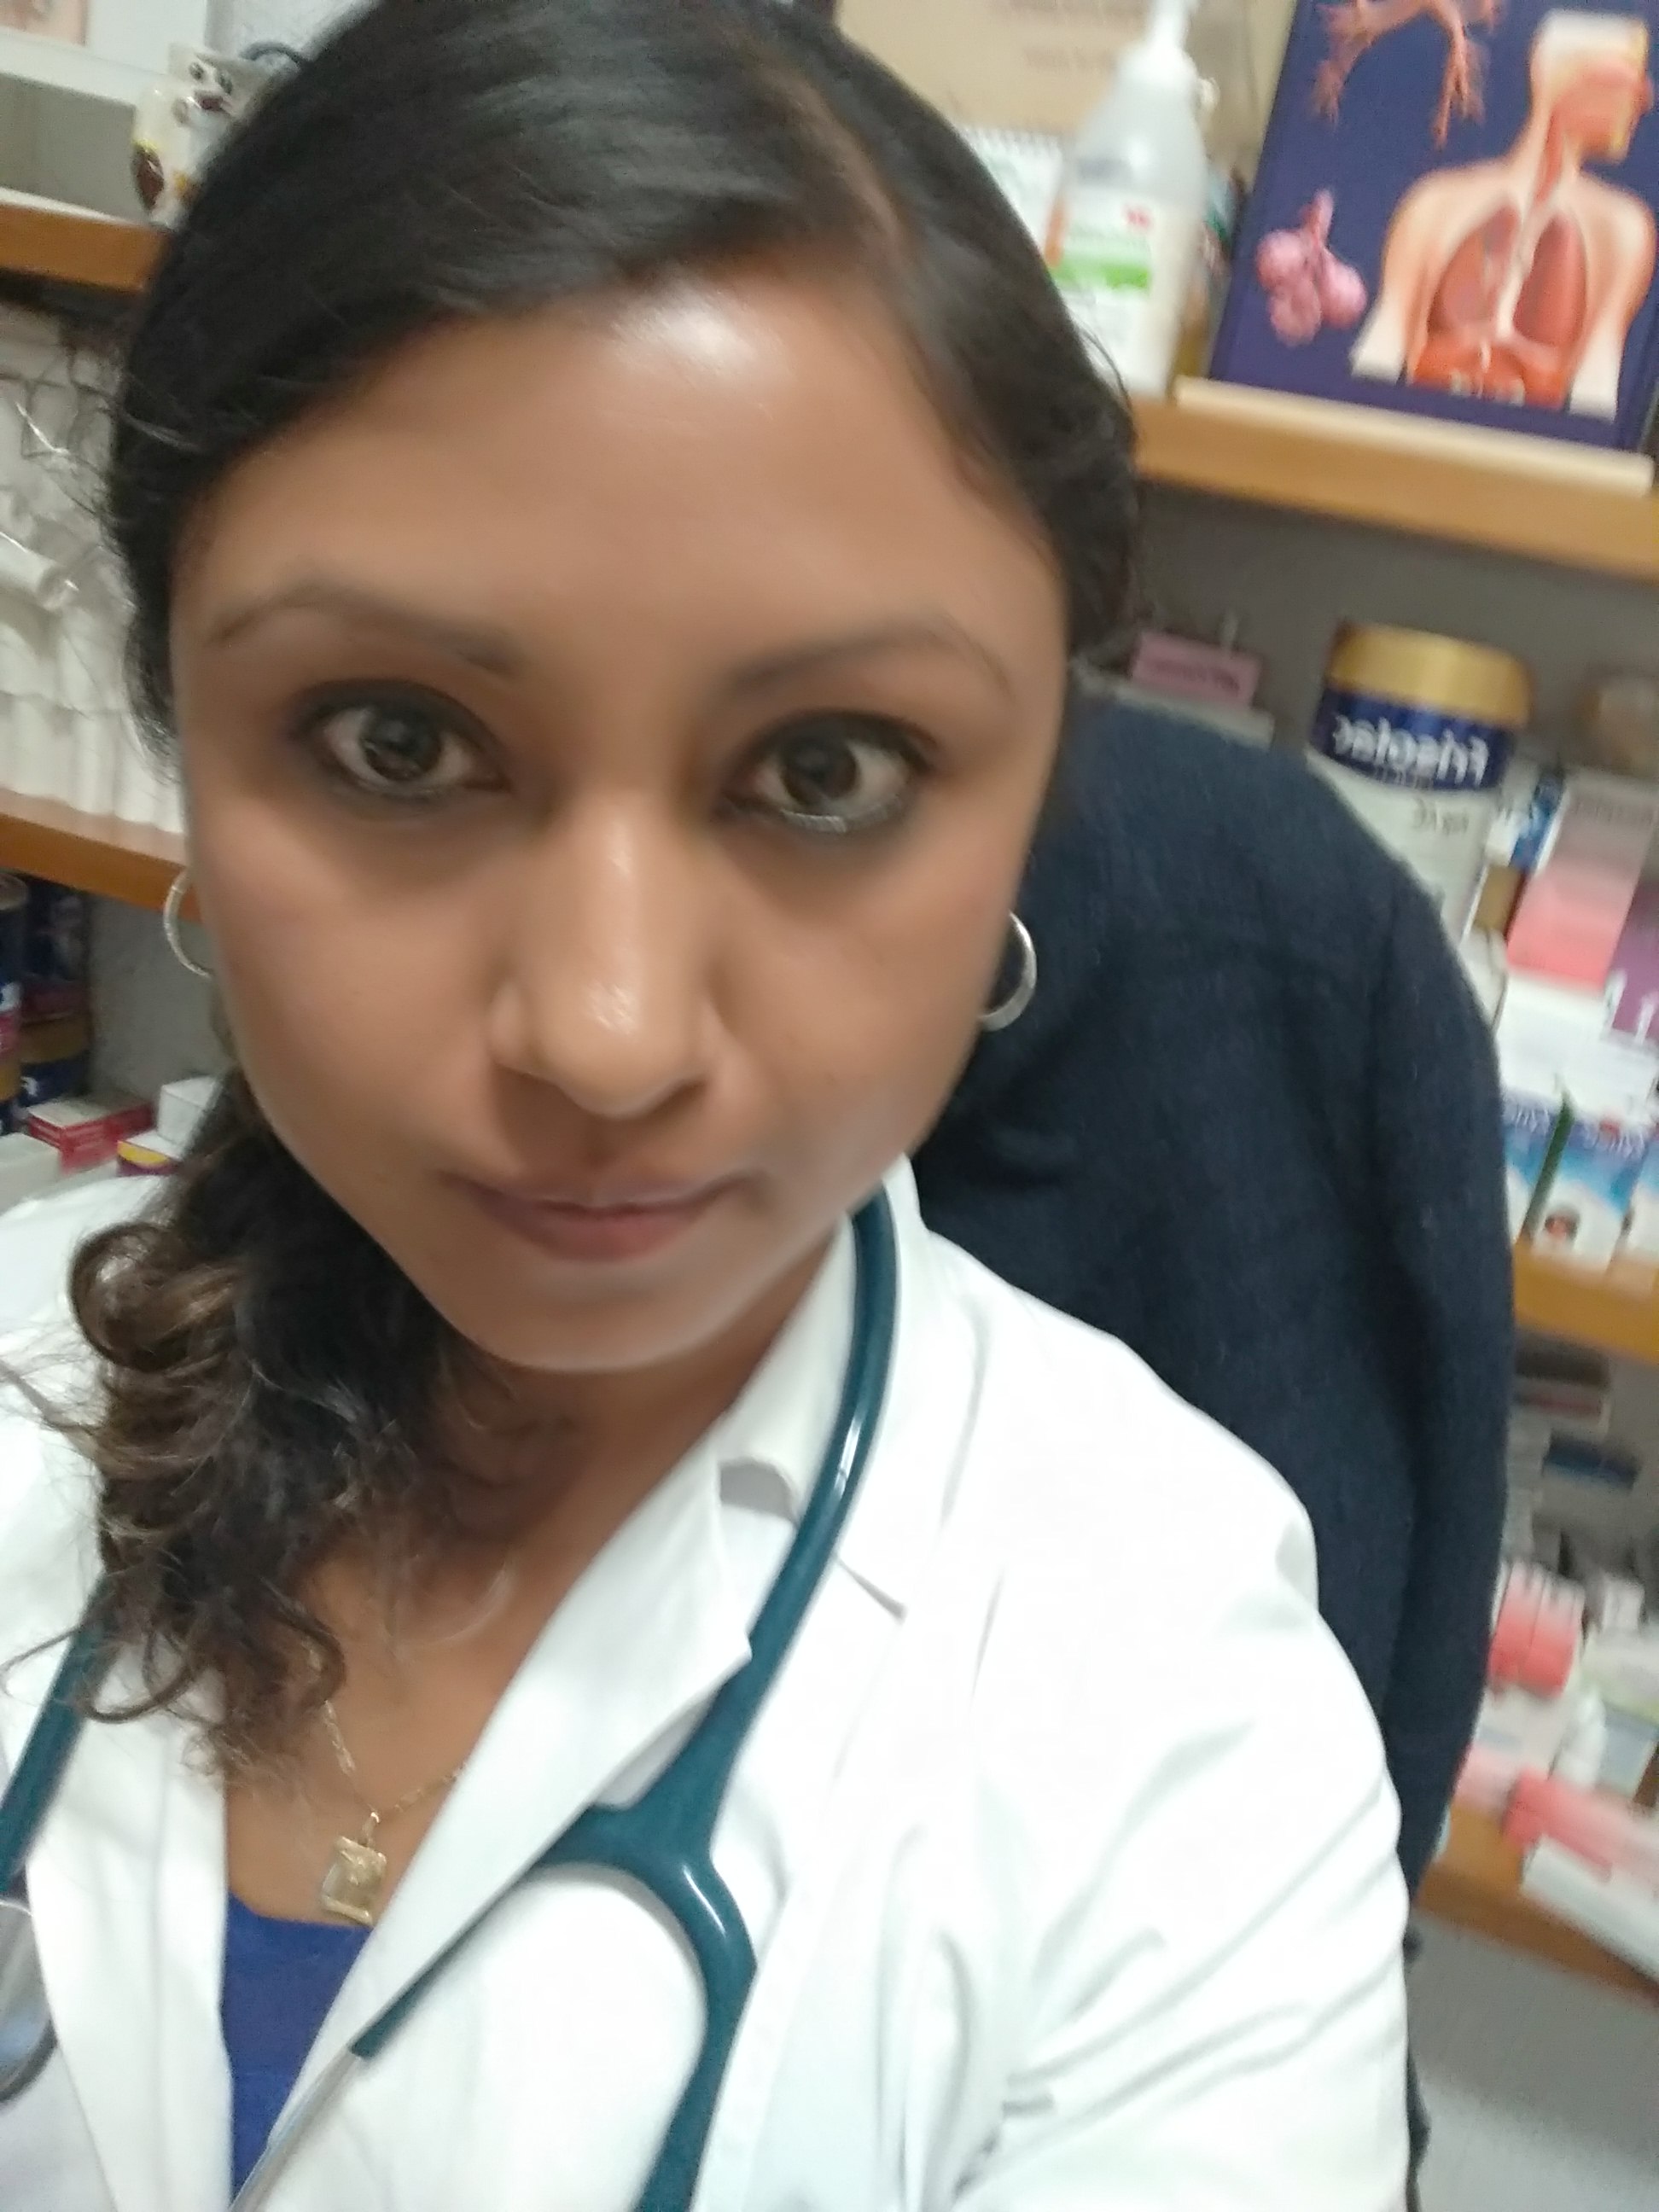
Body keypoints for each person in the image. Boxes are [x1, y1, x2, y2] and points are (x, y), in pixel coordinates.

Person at [0, 3, 1407, 2205]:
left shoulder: (1175, 1730)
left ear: (1036, 799)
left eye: (825, 772)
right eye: (394, 742)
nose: (608, 1032)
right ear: (180, 729)